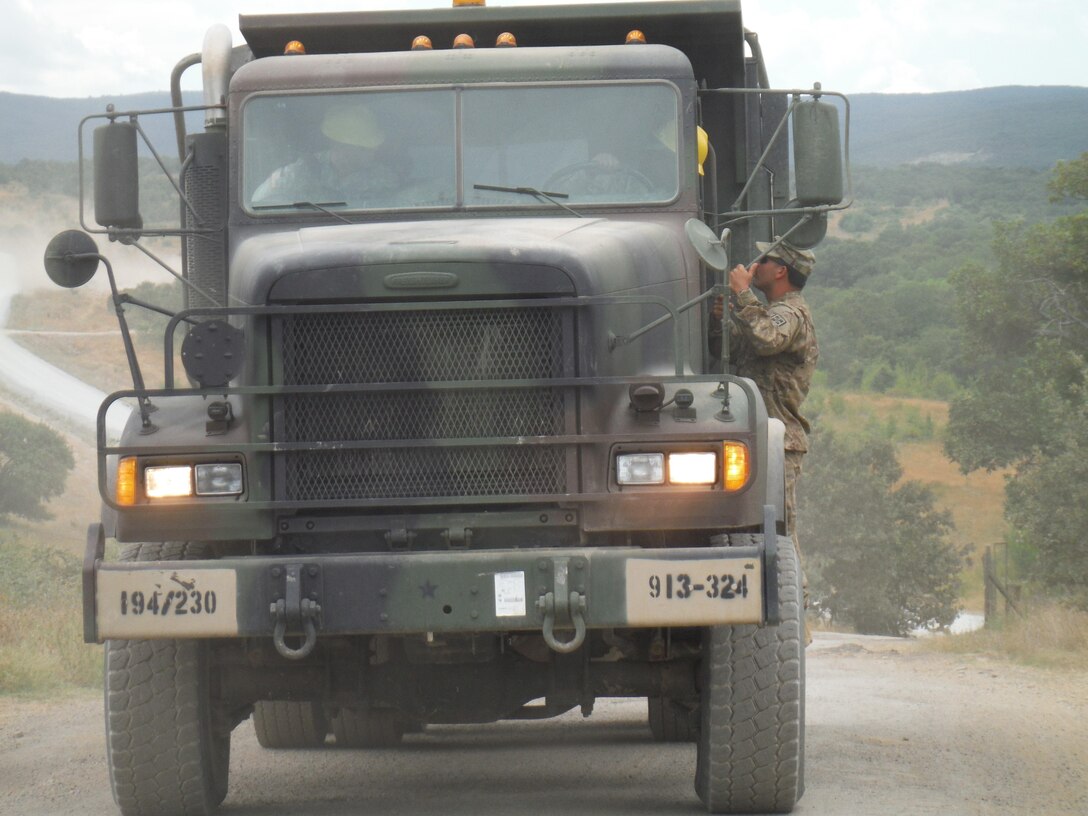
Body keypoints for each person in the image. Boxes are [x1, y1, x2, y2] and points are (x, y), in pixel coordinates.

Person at [710, 238, 818, 637]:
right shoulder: (767, 313)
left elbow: (767, 339)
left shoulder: (791, 315)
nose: (755, 265)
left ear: (781, 271)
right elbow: (733, 350)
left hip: (779, 442)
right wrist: (721, 318)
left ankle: (794, 622)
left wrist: (741, 293)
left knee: (782, 531)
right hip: (752, 440)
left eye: (765, 260)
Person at [251, 103, 402, 207]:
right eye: (364, 147)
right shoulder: (302, 171)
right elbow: (259, 203)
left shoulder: (384, 179)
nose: (373, 151)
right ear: (340, 146)